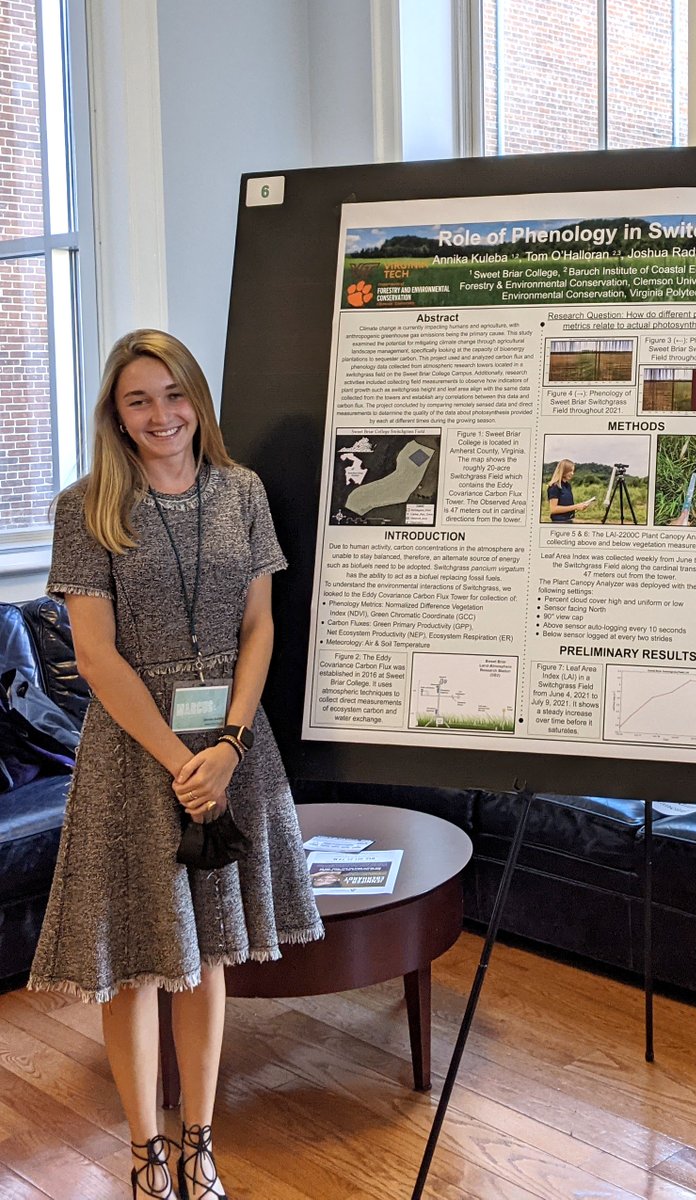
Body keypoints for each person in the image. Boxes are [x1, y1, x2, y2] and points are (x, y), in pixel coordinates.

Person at [28, 330, 323, 1199]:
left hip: (234, 747)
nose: (161, 415)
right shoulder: (87, 505)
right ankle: (146, 1154)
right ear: (115, 416)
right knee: (140, 956)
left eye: (173, 394)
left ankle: (199, 1143)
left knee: (212, 950)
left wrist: (227, 747)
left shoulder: (243, 493)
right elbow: (95, 654)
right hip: (133, 756)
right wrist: (178, 761)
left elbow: (259, 626)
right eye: (138, 400)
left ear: (197, 398)